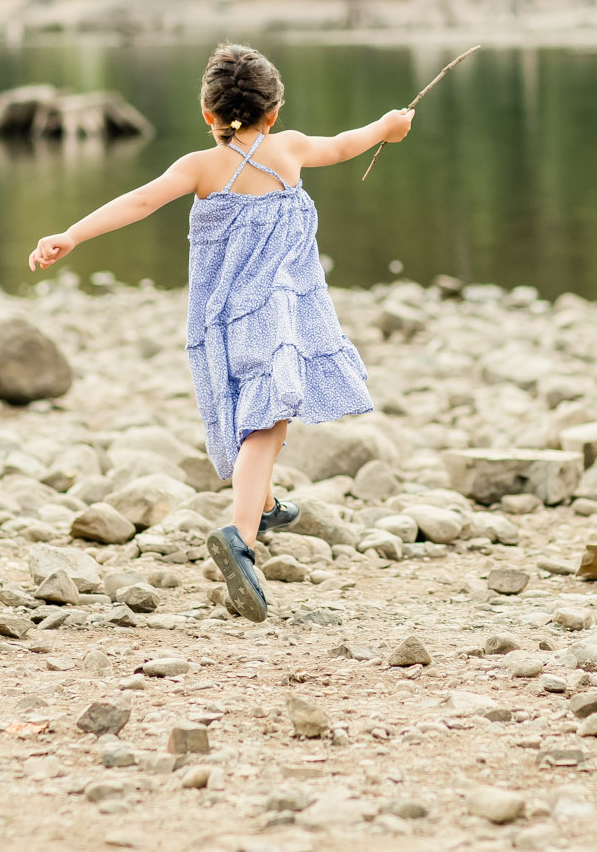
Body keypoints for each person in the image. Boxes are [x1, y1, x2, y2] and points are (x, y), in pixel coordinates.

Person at [28, 43, 414, 621]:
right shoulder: (289, 150)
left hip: (224, 316)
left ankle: (261, 502)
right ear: (274, 110)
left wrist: (71, 235)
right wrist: (387, 127)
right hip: (275, 313)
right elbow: (344, 145)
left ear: (209, 115)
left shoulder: (199, 166)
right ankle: (241, 536)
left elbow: (139, 201)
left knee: (258, 410)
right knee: (267, 419)